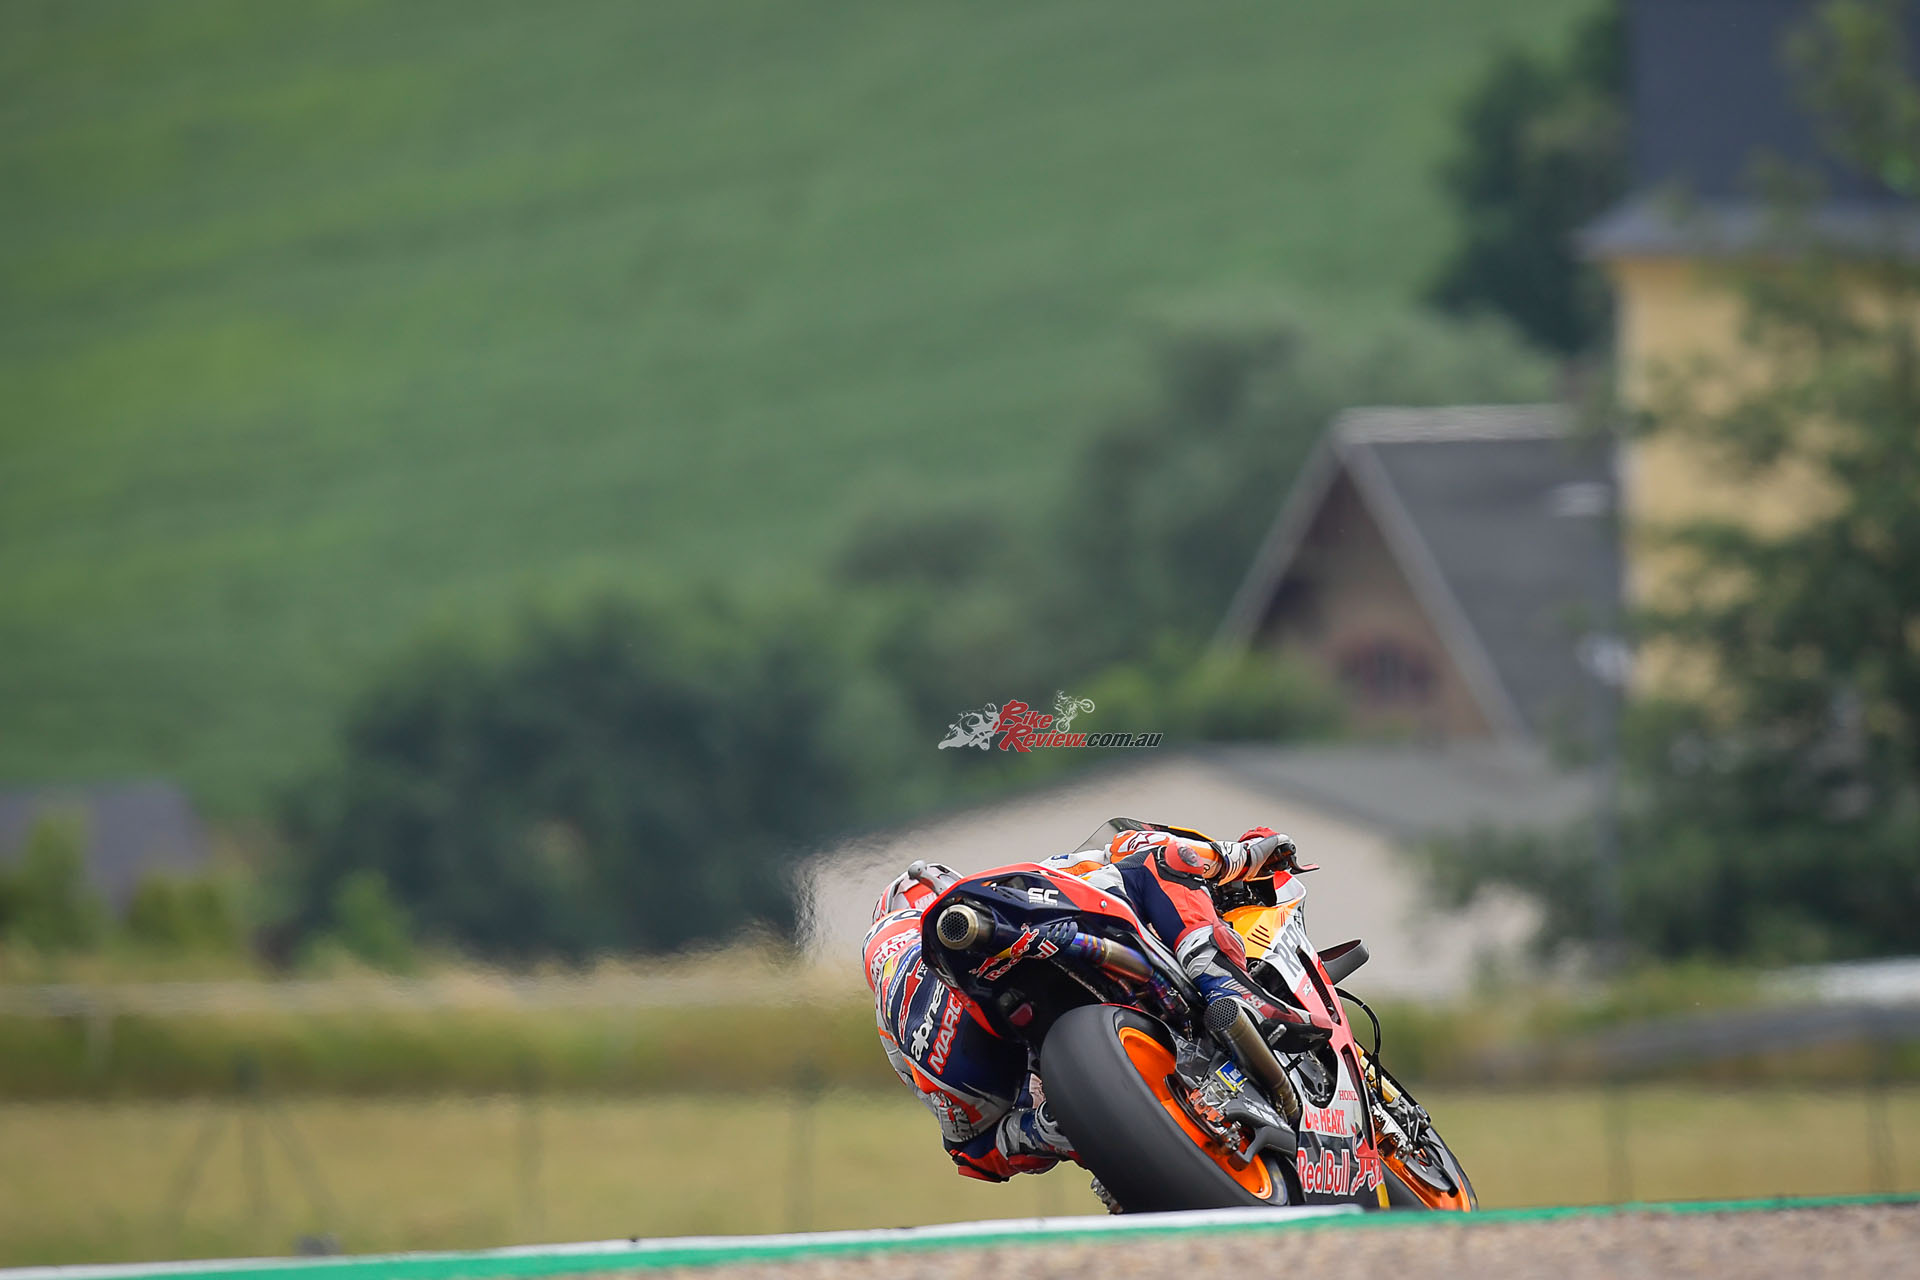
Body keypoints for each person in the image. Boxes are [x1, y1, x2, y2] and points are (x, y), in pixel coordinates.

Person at [861, 822, 1300, 1183]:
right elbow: (1142, 850)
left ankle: (1073, 1139)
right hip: (1015, 990)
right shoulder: (1007, 890)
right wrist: (1241, 856)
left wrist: (1045, 1130)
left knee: (989, 1140)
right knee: (1161, 860)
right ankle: (1231, 991)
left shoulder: (894, 1028)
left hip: (982, 1064)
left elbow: (971, 1154)